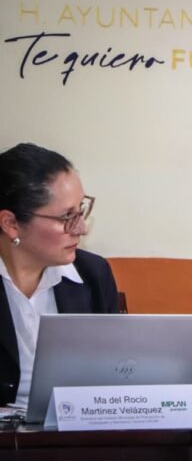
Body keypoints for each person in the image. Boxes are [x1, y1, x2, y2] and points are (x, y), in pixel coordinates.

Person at [0, 143, 118, 407]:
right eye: (67, 217)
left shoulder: (93, 274)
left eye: (81, 209)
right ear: (11, 224)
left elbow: (114, 372)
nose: (81, 228)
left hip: (74, 428)